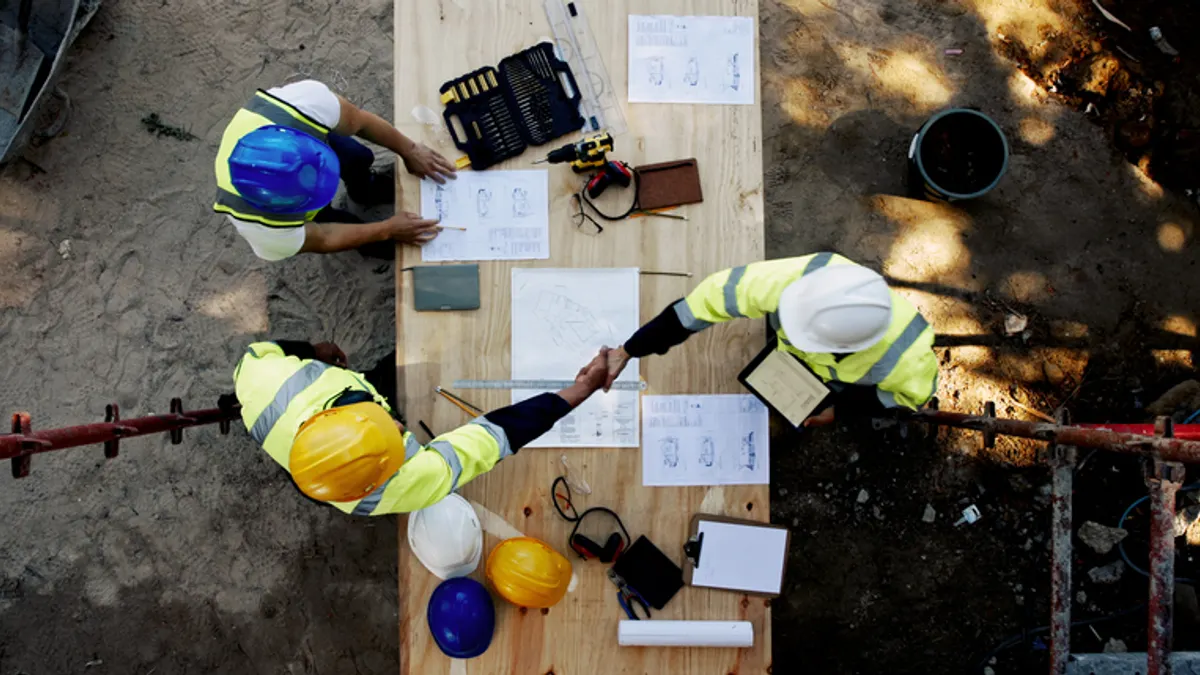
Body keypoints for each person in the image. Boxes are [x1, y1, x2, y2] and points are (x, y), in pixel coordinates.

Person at [230, 339, 611, 514]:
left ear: (332, 412)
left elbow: (266, 349)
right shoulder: (386, 493)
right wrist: (581, 390)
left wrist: (313, 350)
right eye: (396, 433)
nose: (399, 424)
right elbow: (496, 435)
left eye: (385, 421)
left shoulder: (260, 377)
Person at [604, 253, 938, 425]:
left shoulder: (906, 358)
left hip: (835, 386)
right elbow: (697, 308)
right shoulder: (798, 279)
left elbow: (905, 399)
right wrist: (629, 350)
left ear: (844, 347)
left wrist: (839, 411)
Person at [213, 79, 457, 261]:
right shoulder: (264, 230)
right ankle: (376, 241)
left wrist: (410, 150)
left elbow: (359, 120)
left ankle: (365, 190)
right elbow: (324, 237)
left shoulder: (302, 106)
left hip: (307, 142)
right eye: (313, 191)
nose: (324, 186)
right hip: (300, 194)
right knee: (338, 223)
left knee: (358, 157)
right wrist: (386, 230)